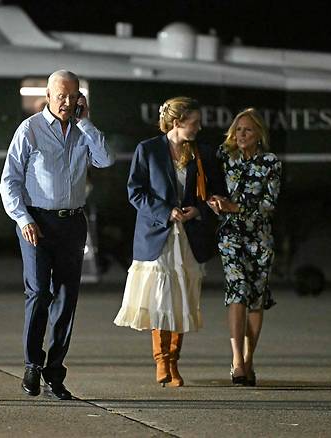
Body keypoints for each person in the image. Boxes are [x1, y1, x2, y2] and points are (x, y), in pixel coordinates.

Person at [0, 70, 114, 400]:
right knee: (39, 294)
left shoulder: (81, 131)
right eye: (60, 96)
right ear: (48, 96)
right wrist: (22, 219)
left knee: (67, 298)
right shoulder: (30, 130)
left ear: (80, 98)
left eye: (72, 96)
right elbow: (9, 182)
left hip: (73, 224)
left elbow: (105, 159)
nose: (66, 102)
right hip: (36, 222)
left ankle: (55, 373)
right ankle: (32, 365)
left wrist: (86, 123)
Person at [114, 97, 225, 387]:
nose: (198, 128)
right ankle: (161, 361)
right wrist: (166, 211)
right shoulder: (147, 150)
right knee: (160, 299)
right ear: (176, 123)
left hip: (188, 236)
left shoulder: (201, 152)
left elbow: (214, 190)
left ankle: (175, 361)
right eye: (194, 123)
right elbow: (135, 192)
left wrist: (198, 209)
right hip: (157, 233)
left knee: (181, 298)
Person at [208, 108, 282, 387]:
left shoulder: (271, 162)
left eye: (247, 130)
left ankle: (249, 360)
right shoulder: (225, 156)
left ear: (259, 134)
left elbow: (269, 204)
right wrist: (213, 203)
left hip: (259, 237)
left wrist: (235, 207)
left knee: (255, 299)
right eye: (238, 129)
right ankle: (237, 360)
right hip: (231, 235)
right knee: (237, 290)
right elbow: (206, 183)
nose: (240, 135)